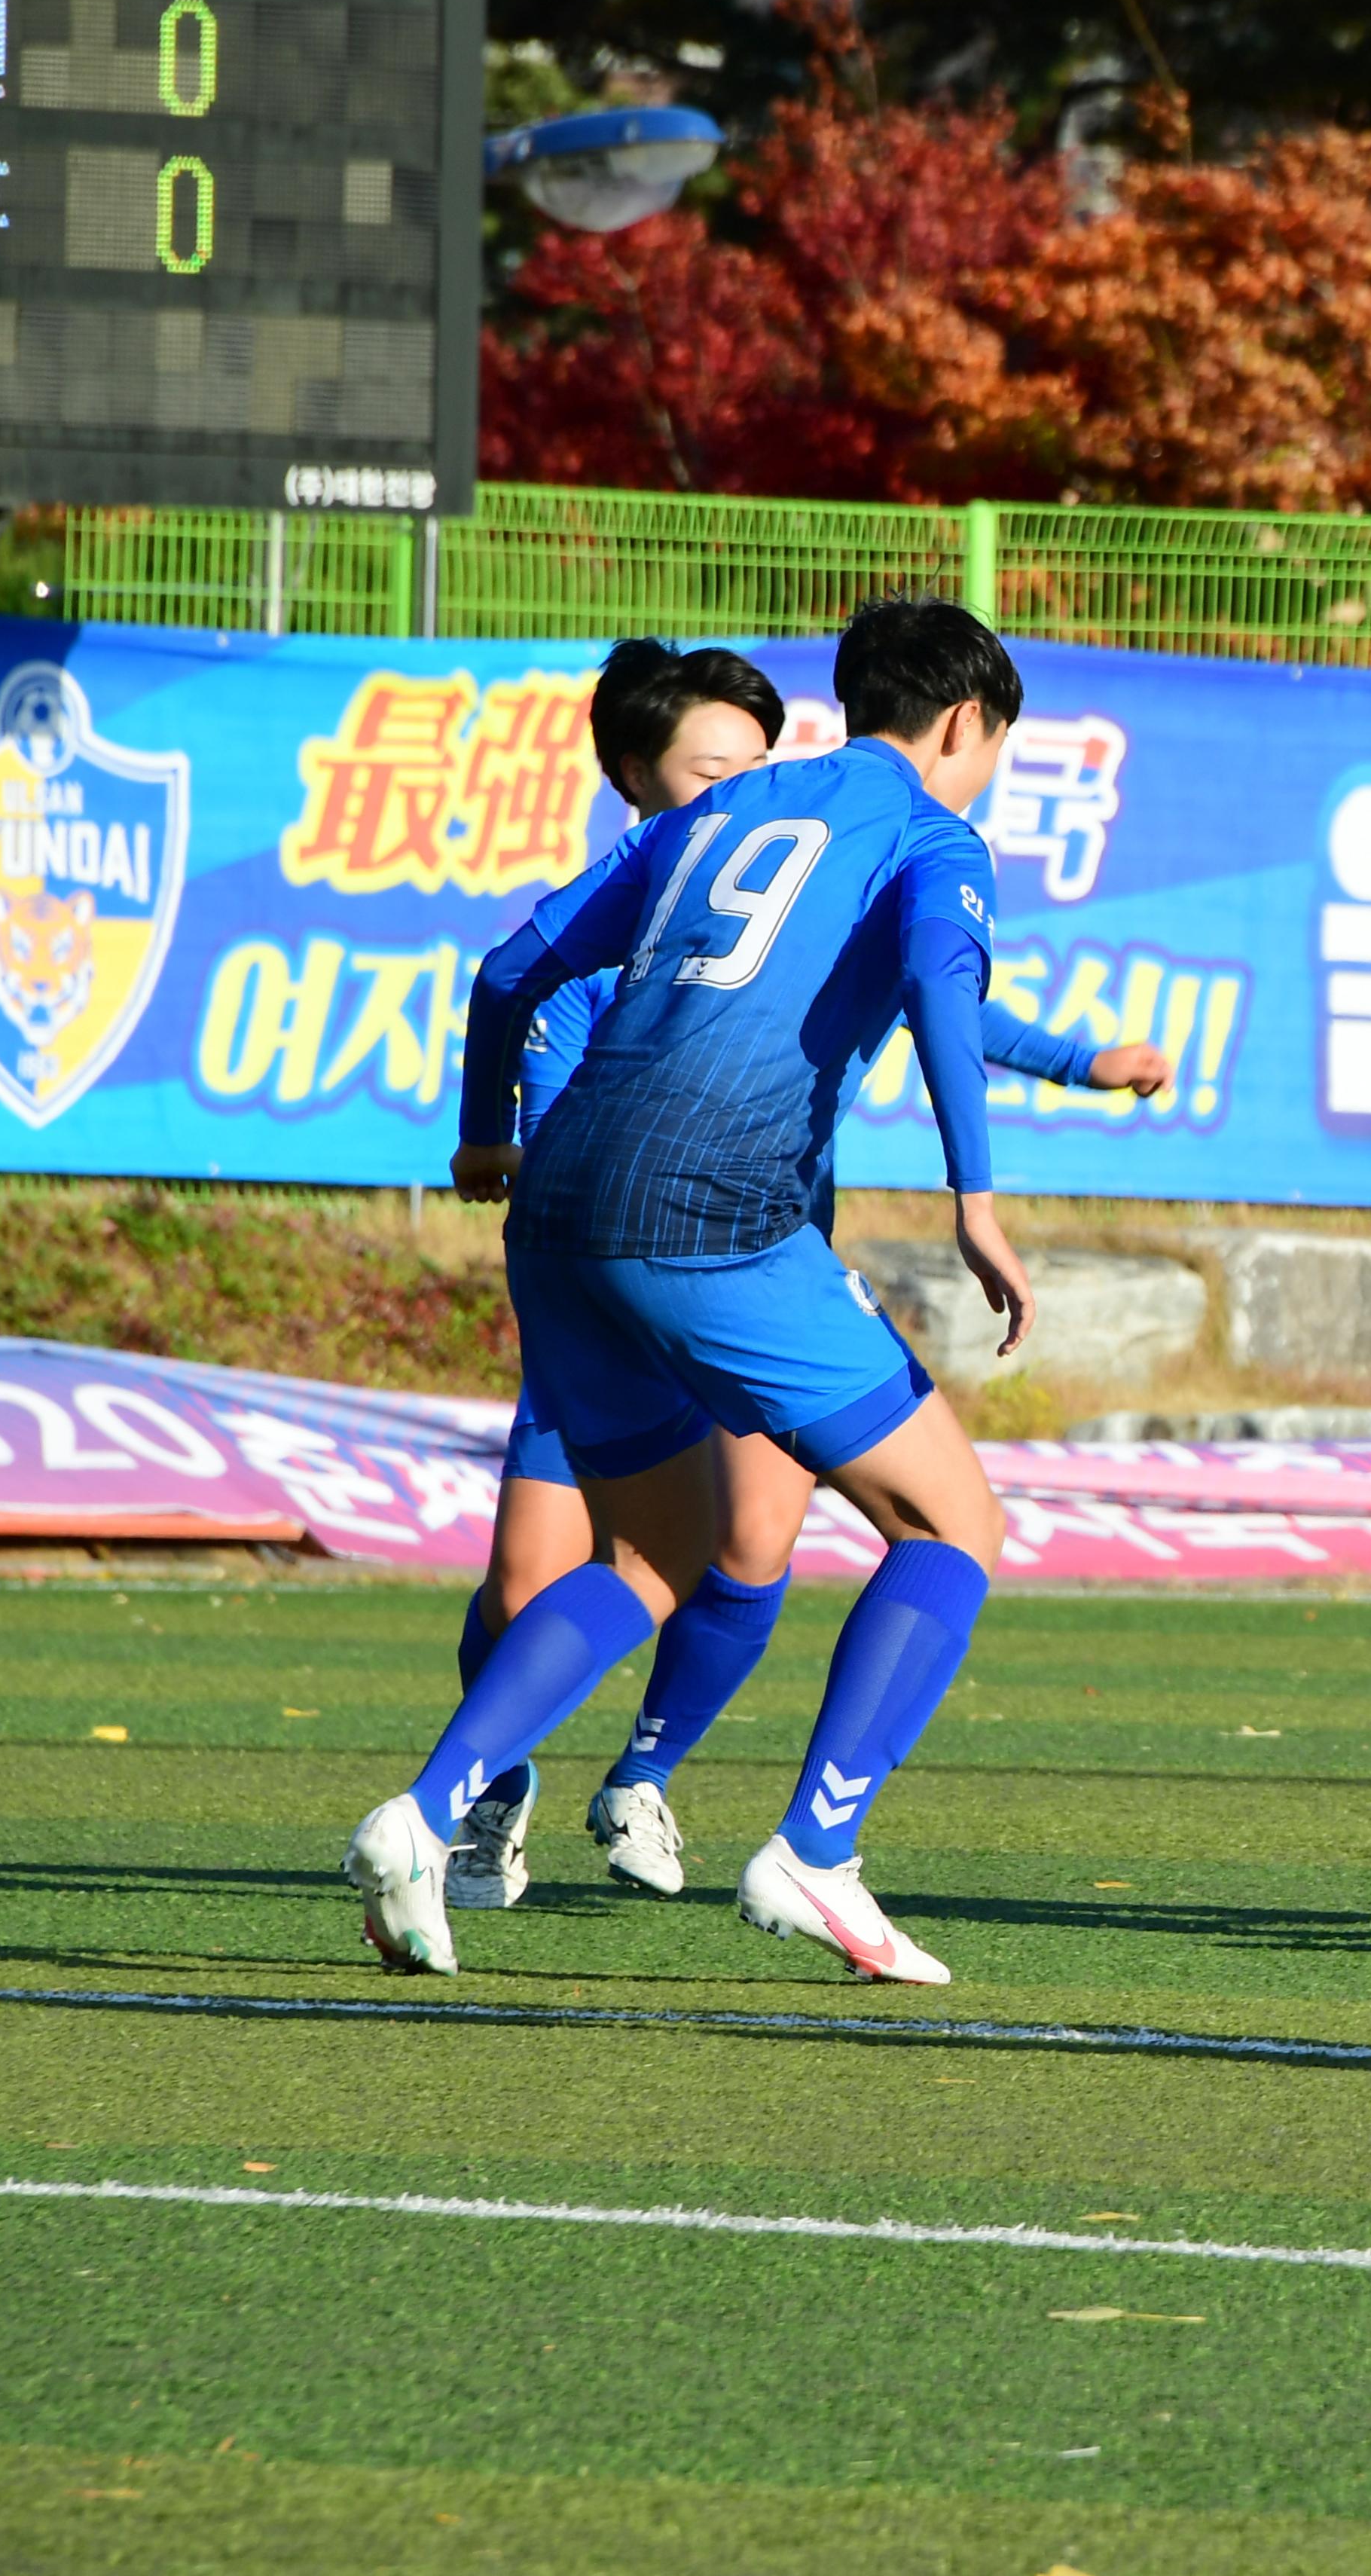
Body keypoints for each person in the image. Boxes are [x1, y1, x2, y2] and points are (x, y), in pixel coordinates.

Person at [351, 596, 1037, 1986]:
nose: (991, 776)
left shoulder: (708, 818)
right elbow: (941, 991)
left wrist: (486, 1134)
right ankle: (815, 1854)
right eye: (996, 749)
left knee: (652, 1558)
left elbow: (506, 973)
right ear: (963, 724)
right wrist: (975, 1201)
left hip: (556, 1213)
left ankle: (427, 1819)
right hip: (712, 1214)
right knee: (954, 1523)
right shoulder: (929, 832)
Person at [442, 640, 1171, 1914]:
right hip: (661, 1256)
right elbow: (934, 986)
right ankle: (507, 1800)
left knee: (743, 1547)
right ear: (635, 777)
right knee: (547, 1574)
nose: (732, 780)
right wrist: (980, 1204)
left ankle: (627, 1778)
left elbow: (933, 996)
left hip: (715, 1256)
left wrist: (1073, 1061)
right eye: (705, 764)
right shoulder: (700, 882)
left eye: (747, 758)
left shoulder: (751, 850)